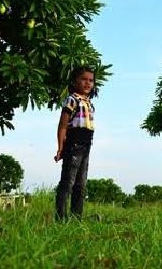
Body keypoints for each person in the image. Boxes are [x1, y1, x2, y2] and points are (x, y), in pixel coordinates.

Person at [54, 66, 97, 221]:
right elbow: (63, 125)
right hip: (74, 144)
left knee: (81, 183)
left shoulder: (90, 103)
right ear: (75, 81)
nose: (87, 83)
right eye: (84, 79)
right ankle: (60, 217)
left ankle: (76, 217)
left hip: (86, 145)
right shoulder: (72, 99)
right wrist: (60, 147)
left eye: (91, 80)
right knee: (68, 181)